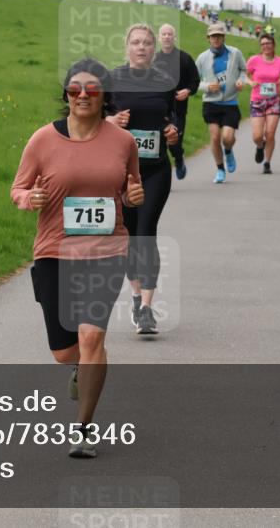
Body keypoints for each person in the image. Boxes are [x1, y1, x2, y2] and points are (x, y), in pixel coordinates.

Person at [11, 58, 144, 457]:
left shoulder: (123, 141)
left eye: (91, 88)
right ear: (66, 94)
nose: (83, 95)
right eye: (74, 89)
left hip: (107, 250)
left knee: (92, 335)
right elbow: (17, 188)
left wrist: (132, 197)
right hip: (55, 249)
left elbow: (130, 189)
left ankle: (83, 429)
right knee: (64, 349)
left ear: (103, 95)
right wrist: (27, 198)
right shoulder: (42, 140)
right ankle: (79, 366)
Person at [106, 24, 179, 335]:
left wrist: (174, 132)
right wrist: (109, 120)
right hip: (121, 173)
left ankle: (147, 307)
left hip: (155, 170)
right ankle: (136, 297)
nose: (142, 47)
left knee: (147, 233)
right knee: (129, 236)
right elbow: (91, 119)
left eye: (147, 43)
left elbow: (173, 118)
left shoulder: (164, 82)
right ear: (127, 47)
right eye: (135, 42)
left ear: (153, 49)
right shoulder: (111, 80)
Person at [195, 23, 250, 183]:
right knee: (215, 137)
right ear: (208, 39)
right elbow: (193, 81)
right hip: (211, 103)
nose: (216, 39)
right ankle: (220, 169)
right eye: (213, 36)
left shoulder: (235, 53)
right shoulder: (202, 58)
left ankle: (228, 150)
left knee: (227, 137)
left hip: (230, 103)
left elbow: (243, 70)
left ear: (223, 37)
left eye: (219, 36)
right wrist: (206, 86)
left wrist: (241, 81)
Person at [153, 24, 199, 180]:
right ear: (159, 38)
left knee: (174, 142)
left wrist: (188, 91)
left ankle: (179, 158)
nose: (166, 37)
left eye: (169, 34)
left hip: (178, 109)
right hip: (157, 109)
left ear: (174, 38)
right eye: (164, 34)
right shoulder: (153, 60)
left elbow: (195, 81)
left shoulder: (184, 58)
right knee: (159, 144)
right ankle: (160, 177)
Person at [245, 34, 280, 174]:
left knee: (270, 133)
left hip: (274, 100)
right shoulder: (254, 60)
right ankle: (260, 147)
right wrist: (251, 82)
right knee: (257, 136)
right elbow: (244, 75)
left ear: (273, 45)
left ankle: (267, 162)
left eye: (268, 43)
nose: (266, 46)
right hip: (257, 100)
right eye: (263, 44)